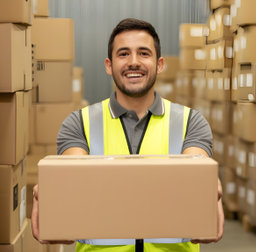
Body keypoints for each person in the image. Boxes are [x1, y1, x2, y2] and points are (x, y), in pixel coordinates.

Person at [32, 18, 224, 252]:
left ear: (160, 64)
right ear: (109, 65)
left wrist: (206, 186)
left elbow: (197, 174)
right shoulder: (79, 124)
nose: (134, 62)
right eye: (123, 54)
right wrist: (55, 190)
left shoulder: (190, 122)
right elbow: (73, 180)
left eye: (144, 53)